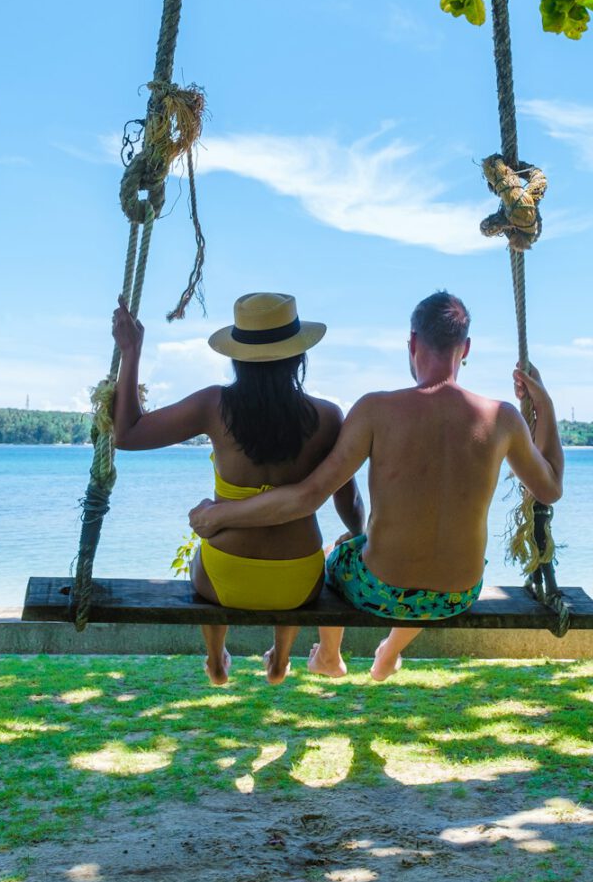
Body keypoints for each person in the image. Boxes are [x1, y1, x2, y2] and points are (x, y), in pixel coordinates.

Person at [189, 290, 563, 681]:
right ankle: (390, 650)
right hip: (458, 595)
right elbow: (550, 487)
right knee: (431, 572)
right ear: (465, 348)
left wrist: (222, 513)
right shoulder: (503, 417)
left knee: (340, 550)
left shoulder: (376, 410)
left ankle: (330, 655)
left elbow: (307, 497)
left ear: (413, 343)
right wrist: (545, 406)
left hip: (379, 592)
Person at [112, 290, 364, 688]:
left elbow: (126, 434)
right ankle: (280, 659)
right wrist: (358, 533)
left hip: (224, 575)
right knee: (304, 562)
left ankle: (216, 659)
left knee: (203, 556)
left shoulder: (215, 405)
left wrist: (131, 351)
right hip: (297, 580)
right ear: (299, 356)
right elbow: (348, 501)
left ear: (236, 357)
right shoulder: (328, 416)